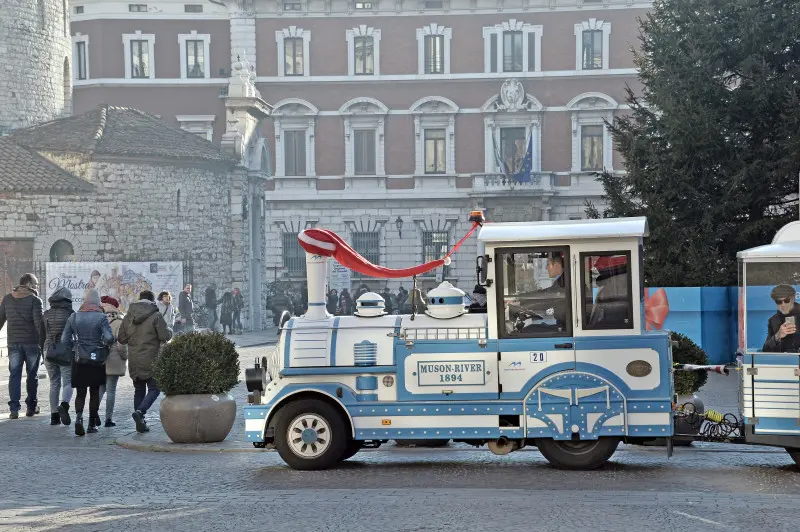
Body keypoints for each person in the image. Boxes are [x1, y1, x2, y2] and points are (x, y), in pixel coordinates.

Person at [60, 289, 114, 436]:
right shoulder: (101, 317)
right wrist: (102, 343)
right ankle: (91, 425)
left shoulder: (74, 316)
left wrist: (76, 346)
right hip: (96, 358)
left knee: (80, 392)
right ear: (97, 302)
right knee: (95, 392)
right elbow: (109, 338)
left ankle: (78, 418)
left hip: (79, 358)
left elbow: (64, 340)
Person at [118, 290, 171, 433]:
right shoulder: (156, 315)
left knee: (139, 389)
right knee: (155, 388)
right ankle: (140, 412)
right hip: (152, 358)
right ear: (152, 301)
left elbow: (121, 338)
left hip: (134, 358)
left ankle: (139, 422)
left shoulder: (129, 316)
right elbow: (164, 336)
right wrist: (170, 331)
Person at [0, 273, 44, 419]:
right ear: (30, 284)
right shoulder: (35, 301)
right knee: (32, 375)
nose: (37, 288)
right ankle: (31, 407)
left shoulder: (7, 299)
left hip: (13, 343)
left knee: (14, 375)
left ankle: (14, 409)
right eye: (35, 285)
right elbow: (39, 325)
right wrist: (44, 343)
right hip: (32, 343)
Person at [41, 287, 75, 426]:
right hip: (65, 352)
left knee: (54, 383)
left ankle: (54, 416)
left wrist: (42, 352)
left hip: (48, 350)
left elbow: (41, 335)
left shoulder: (46, 314)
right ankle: (64, 405)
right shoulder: (70, 314)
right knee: (68, 382)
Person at [99, 296, 127, 427]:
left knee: (100, 389)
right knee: (111, 390)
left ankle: (93, 415)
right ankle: (108, 419)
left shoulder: (97, 319)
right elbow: (122, 345)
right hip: (114, 359)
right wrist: (125, 356)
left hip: (99, 359)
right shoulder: (118, 322)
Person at [762, 284, 800, 352]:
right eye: (778, 302)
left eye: (787, 300)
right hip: (782, 361)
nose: (783, 305)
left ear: (793, 298)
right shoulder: (773, 320)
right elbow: (765, 350)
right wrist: (777, 336)